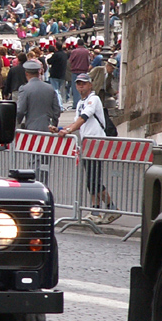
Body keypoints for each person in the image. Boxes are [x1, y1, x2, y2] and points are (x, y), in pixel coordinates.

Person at [53, 74, 119, 223]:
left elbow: (83, 119)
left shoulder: (93, 100)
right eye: (78, 84)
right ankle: (97, 209)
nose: (80, 86)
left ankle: (107, 208)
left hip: (96, 142)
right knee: (91, 179)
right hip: (87, 143)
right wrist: (60, 129)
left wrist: (68, 131)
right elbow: (76, 122)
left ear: (90, 85)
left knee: (94, 179)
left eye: (83, 84)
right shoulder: (81, 102)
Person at [16, 59, 61, 131]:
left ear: (26, 73)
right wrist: (53, 125)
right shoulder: (50, 88)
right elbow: (56, 110)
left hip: (32, 128)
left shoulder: (25, 89)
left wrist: (18, 122)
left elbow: (20, 110)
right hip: (48, 128)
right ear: (38, 73)